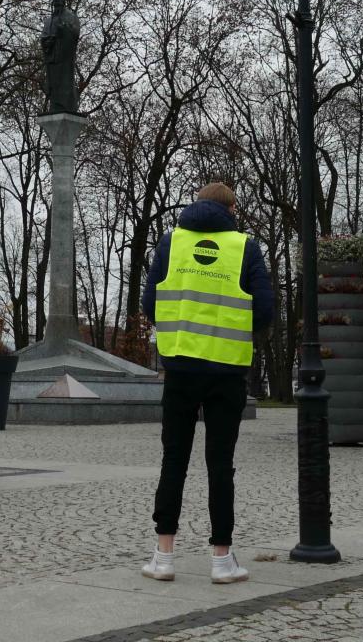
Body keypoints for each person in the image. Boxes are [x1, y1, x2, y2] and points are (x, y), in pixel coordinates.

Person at [139, 181, 274, 584]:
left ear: (197, 205)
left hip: (180, 368)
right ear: (231, 208)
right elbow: (264, 310)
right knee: (220, 464)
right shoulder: (244, 247)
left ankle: (163, 557)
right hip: (226, 372)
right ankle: (221, 559)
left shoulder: (170, 243)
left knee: (173, 461)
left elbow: (150, 303)